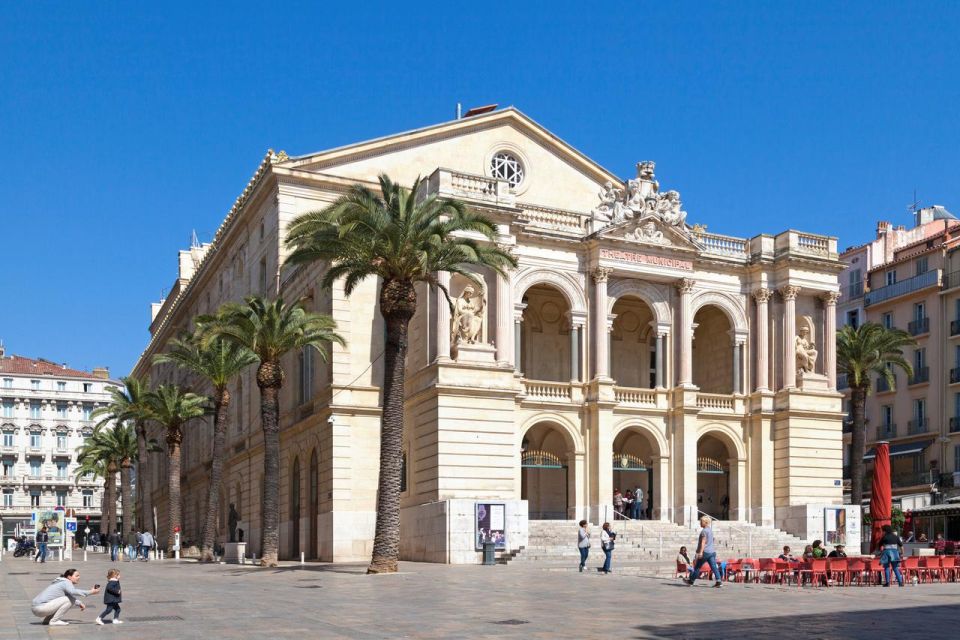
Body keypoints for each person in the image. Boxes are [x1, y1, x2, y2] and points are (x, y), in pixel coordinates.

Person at [31, 568, 100, 626]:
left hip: (37, 608)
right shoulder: (66, 582)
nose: (79, 577)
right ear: (69, 577)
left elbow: (68, 596)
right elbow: (72, 592)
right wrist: (90, 592)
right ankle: (54, 620)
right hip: (41, 608)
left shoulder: (61, 581)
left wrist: (79, 603)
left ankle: (47, 620)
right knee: (69, 600)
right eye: (77, 576)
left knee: (68, 599)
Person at [684, 515, 722, 588]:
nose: (700, 523)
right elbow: (713, 539)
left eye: (701, 522)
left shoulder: (704, 531)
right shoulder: (710, 530)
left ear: (705, 522)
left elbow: (703, 542)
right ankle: (719, 581)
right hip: (712, 552)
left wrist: (700, 552)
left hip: (705, 552)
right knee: (714, 567)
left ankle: (691, 581)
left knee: (697, 567)